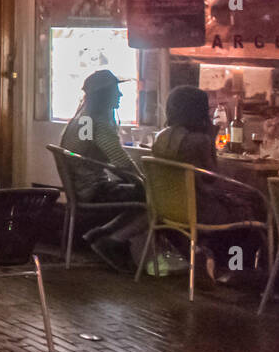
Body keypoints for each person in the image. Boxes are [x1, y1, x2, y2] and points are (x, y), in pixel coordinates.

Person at [151, 85, 267, 283]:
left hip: (169, 209)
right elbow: (212, 178)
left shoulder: (160, 137)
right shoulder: (200, 140)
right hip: (201, 210)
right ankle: (237, 270)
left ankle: (220, 263)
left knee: (246, 202)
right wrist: (210, 135)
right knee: (257, 206)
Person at [59, 68, 146, 271]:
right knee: (151, 195)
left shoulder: (82, 119)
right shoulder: (98, 122)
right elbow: (121, 161)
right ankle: (111, 240)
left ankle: (103, 235)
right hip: (93, 190)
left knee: (141, 191)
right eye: (116, 90)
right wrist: (142, 180)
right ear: (104, 95)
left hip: (81, 188)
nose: (120, 95)